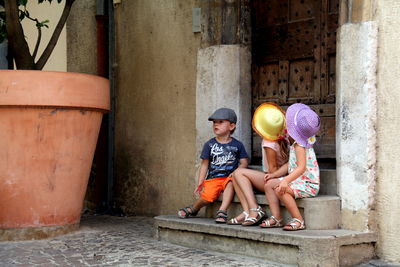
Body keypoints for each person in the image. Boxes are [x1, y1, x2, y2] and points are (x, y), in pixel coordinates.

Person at [178, 107, 249, 223]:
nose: (216, 125)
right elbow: (204, 164)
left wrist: (235, 173)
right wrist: (201, 182)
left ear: (231, 126)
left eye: (221, 122)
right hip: (213, 179)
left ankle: (222, 211)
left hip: (229, 178)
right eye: (214, 122)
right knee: (207, 197)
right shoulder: (209, 145)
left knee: (231, 183)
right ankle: (194, 208)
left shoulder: (238, 145)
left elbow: (244, 163)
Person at [229, 103, 289, 226]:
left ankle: (255, 209)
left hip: (276, 178)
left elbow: (272, 171)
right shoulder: (286, 136)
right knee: (235, 175)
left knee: (238, 173)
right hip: (283, 175)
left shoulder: (269, 142)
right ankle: (247, 211)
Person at [262, 103, 320, 231]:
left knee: (279, 189)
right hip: (298, 180)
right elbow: (291, 164)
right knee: (269, 184)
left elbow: (301, 167)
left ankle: (298, 220)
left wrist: (285, 181)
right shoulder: (297, 144)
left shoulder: (300, 146)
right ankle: (276, 217)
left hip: (307, 184)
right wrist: (275, 175)